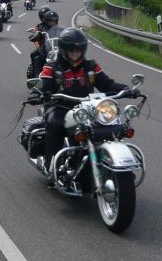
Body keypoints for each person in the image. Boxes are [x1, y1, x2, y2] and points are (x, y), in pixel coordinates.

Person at [39, 28, 135, 170]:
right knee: (55, 124)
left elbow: (107, 84)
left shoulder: (91, 66)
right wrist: (40, 92)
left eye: (78, 50)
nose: (75, 53)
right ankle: (52, 164)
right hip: (60, 107)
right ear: (64, 50)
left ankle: (113, 162)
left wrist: (126, 90)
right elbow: (43, 83)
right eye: (71, 50)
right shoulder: (52, 67)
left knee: (111, 125)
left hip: (88, 109)